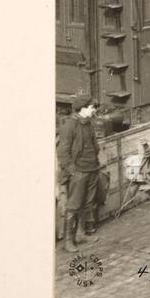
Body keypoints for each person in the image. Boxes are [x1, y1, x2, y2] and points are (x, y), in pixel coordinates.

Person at [58, 98, 102, 246]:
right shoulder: (69, 126)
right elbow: (63, 153)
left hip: (92, 169)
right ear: (82, 108)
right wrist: (73, 172)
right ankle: (68, 241)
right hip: (79, 172)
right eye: (92, 107)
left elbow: (93, 145)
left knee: (87, 203)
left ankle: (80, 235)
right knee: (74, 205)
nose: (94, 109)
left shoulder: (88, 123)